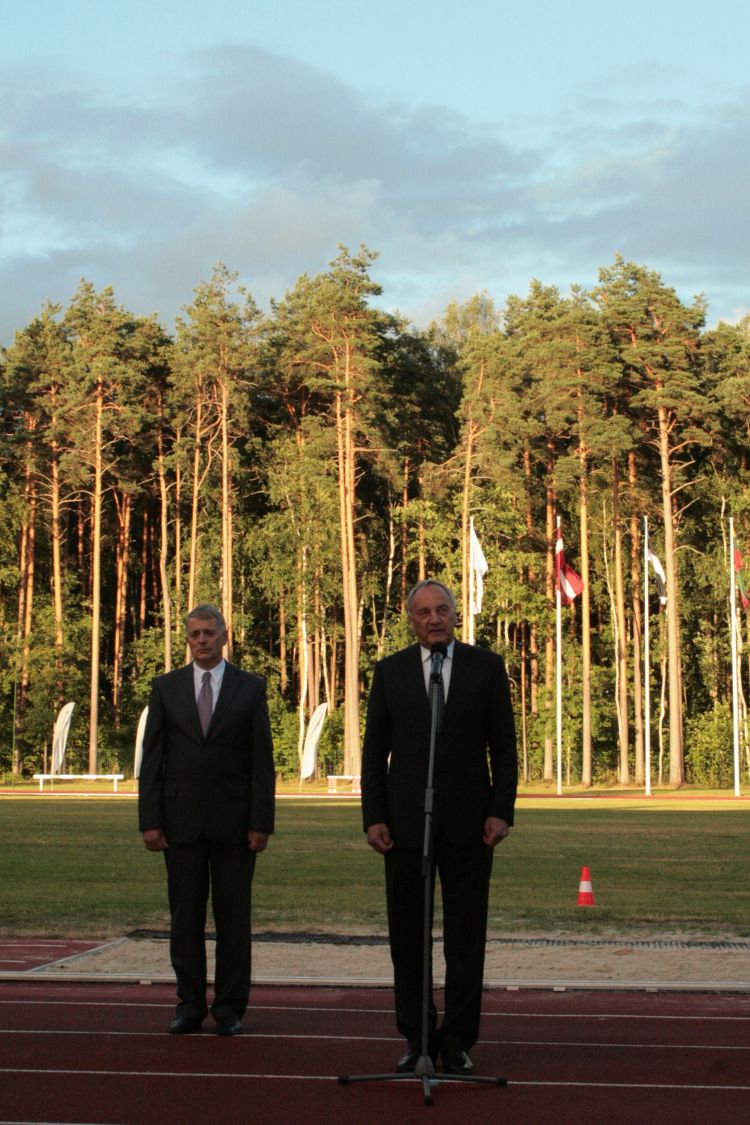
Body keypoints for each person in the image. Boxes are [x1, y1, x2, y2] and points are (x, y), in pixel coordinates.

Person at [361, 578, 517, 1075]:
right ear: (411, 620)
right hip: (405, 829)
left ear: (455, 614)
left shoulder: (486, 667)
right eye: (424, 612)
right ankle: (418, 1037)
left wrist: (501, 811)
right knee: (408, 941)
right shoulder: (390, 672)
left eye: (442, 610)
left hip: (471, 829)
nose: (434, 619)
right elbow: (374, 753)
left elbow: (504, 750)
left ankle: (458, 1041)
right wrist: (374, 817)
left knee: (465, 942)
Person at [138, 603, 275, 1036]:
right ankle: (190, 1004)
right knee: (185, 921)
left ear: (224, 636)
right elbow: (152, 760)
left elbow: (262, 763)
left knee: (233, 922)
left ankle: (230, 1008)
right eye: (195, 633)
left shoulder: (250, 688)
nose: (202, 640)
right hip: (180, 824)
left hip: (235, 825)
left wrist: (261, 822)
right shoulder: (165, 688)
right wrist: (150, 820)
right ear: (187, 638)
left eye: (209, 633)